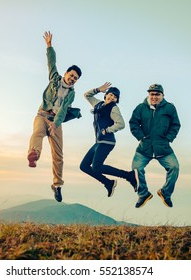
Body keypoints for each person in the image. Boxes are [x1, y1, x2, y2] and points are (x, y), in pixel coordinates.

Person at [27, 31, 82, 202]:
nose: (73, 79)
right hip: (42, 115)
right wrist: (49, 46)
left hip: (55, 121)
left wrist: (55, 124)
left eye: (76, 78)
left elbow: (64, 110)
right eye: (71, 75)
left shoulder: (71, 94)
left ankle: (57, 185)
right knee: (37, 133)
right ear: (66, 73)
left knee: (58, 155)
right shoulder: (54, 80)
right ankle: (33, 154)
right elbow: (52, 63)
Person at [80, 82, 139, 197]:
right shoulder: (98, 104)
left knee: (97, 167)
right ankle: (108, 182)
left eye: (115, 97)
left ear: (116, 100)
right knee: (84, 166)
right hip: (98, 142)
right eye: (111, 94)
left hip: (107, 141)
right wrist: (98, 89)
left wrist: (107, 130)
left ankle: (129, 176)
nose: (112, 97)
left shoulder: (114, 108)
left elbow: (121, 124)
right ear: (106, 95)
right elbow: (87, 95)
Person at [129, 84, 181, 208]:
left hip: (163, 147)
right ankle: (143, 194)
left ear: (163, 95)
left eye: (157, 94)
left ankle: (165, 193)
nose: (154, 96)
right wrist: (141, 137)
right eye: (152, 94)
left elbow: (175, 125)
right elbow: (133, 123)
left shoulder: (170, 108)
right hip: (144, 148)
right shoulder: (141, 108)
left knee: (174, 167)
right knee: (136, 169)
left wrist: (168, 138)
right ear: (148, 95)